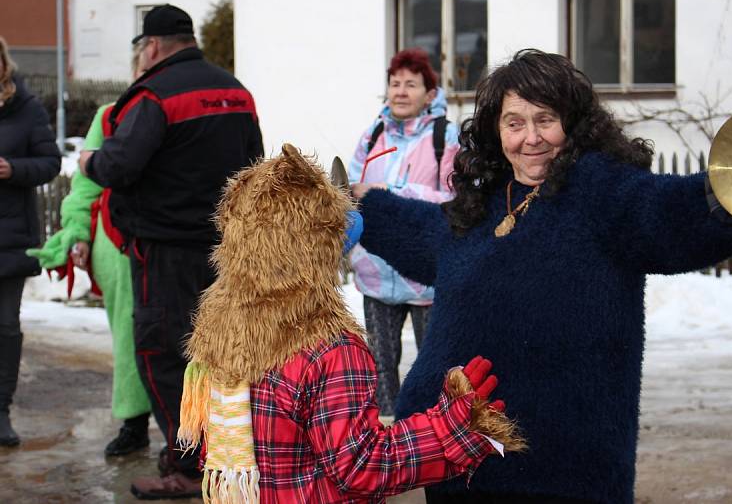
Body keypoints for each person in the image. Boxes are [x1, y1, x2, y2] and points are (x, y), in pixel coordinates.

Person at [354, 49, 732, 503]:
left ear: (574, 122)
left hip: (561, 474)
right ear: (495, 130)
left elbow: (674, 213)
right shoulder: (486, 201)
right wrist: (362, 209)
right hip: (459, 465)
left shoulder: (602, 193)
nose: (530, 138)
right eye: (514, 123)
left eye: (545, 119)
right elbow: (427, 234)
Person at [176, 144, 523, 504]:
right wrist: (450, 429)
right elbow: (361, 467)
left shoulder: (219, 326)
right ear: (323, 248)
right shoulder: (331, 349)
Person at [78, 4, 264, 500]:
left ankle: (185, 466)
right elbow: (255, 166)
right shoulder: (236, 91)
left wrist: (90, 159)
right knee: (222, 357)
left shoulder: (155, 95)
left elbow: (119, 166)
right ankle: (228, 457)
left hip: (164, 254)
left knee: (164, 356)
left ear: (153, 47)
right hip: (225, 251)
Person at [27, 48, 152, 457]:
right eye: (144, 69)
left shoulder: (177, 113)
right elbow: (84, 186)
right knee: (128, 334)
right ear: (134, 71)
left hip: (172, 242)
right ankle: (133, 423)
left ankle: (190, 428)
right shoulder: (108, 116)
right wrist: (78, 232)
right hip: (117, 245)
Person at [347, 48, 459, 417]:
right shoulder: (373, 134)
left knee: (436, 367)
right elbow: (351, 189)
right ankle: (385, 442)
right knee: (379, 369)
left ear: (430, 93)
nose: (400, 92)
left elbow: (455, 201)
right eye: (395, 83)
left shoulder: (447, 137)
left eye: (411, 84)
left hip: (426, 273)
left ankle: (434, 438)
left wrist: (390, 196)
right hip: (375, 268)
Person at [0, 37, 61, 447]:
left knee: (5, 326)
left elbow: (51, 162)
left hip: (10, 236)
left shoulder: (25, 106)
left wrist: (12, 168)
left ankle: (1, 411)